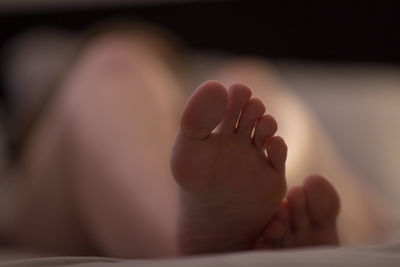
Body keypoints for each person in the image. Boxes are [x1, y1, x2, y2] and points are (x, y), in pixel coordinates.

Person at [1, 24, 380, 259]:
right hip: (62, 184)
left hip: (69, 194)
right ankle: (189, 235)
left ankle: (202, 236)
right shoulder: (63, 99)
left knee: (247, 82)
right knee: (113, 69)